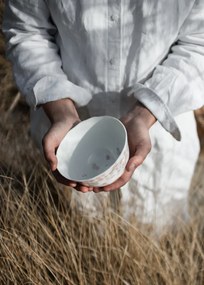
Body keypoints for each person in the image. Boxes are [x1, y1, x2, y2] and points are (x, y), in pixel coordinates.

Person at [3, 0, 204, 229]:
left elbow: (199, 42)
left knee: (160, 233)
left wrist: (146, 112)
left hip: (159, 138)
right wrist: (61, 110)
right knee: (70, 232)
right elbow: (27, 30)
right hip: (67, 137)